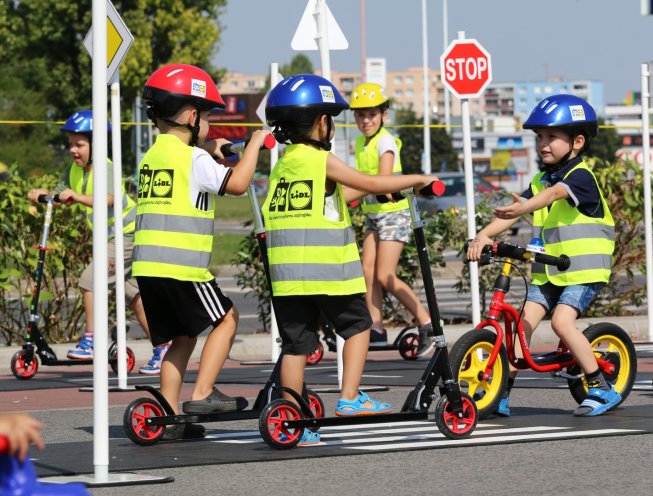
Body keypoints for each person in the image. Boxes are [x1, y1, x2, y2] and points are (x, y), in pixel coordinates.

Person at [263, 74, 438, 445]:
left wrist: (382, 189)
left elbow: (348, 190)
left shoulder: (283, 166)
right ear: (320, 121)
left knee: (296, 346)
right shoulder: (321, 159)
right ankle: (349, 398)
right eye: (331, 119)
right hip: (326, 274)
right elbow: (371, 183)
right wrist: (418, 179)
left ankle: (290, 417)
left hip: (287, 277)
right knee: (358, 325)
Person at [134, 63, 271, 439]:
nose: (210, 126)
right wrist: (254, 146)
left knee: (182, 338)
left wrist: (216, 147)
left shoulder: (151, 157)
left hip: (148, 267)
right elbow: (239, 183)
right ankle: (205, 392)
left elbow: (196, 151)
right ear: (193, 116)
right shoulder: (195, 160)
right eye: (208, 116)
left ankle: (168, 414)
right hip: (184, 266)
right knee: (227, 319)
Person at [466, 94, 617, 417]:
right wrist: (484, 234)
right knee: (520, 328)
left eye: (551, 137)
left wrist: (524, 205)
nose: (543, 144)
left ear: (577, 141)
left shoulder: (581, 177)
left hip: (582, 271)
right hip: (548, 272)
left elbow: (552, 195)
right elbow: (513, 211)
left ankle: (601, 386)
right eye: (539, 137)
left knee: (563, 322)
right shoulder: (540, 179)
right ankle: (500, 394)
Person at [26, 110, 167, 375]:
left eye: (79, 144)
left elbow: (109, 199)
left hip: (126, 234)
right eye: (70, 144)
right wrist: (46, 195)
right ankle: (163, 346)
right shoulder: (77, 171)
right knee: (134, 295)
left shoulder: (105, 166)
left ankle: (92, 340)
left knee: (90, 282)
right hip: (116, 238)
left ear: (96, 144)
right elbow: (68, 196)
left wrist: (76, 197)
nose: (72, 150)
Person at [349, 83, 433, 354]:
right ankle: (376, 328)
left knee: (385, 276)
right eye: (360, 115)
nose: (366, 120)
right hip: (374, 214)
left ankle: (427, 322)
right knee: (367, 271)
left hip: (393, 213)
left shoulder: (385, 141)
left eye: (371, 114)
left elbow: (383, 181)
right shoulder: (362, 142)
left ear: (384, 115)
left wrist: (353, 190)